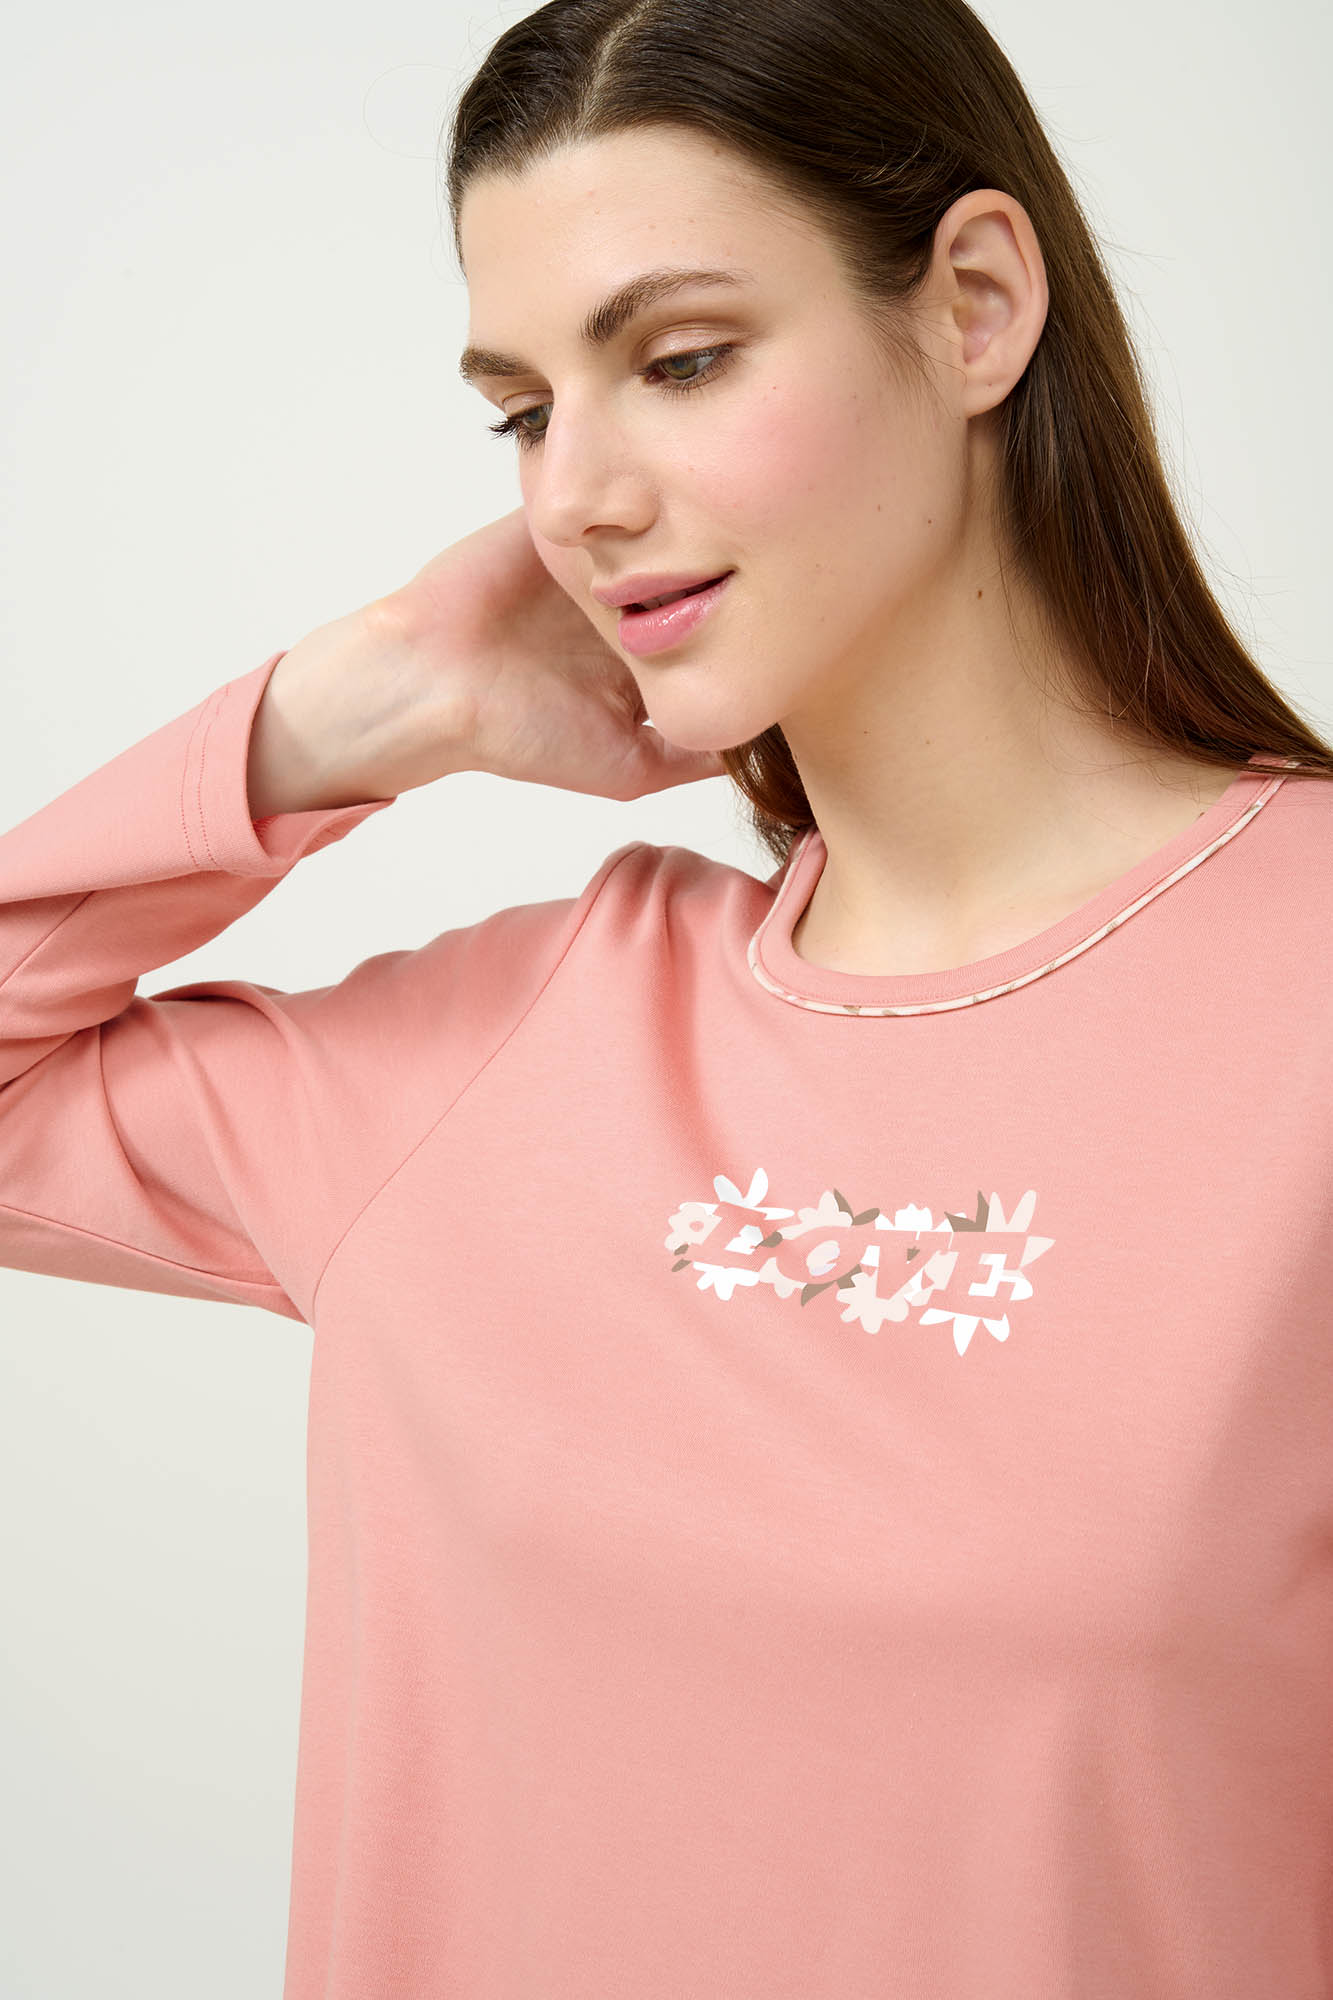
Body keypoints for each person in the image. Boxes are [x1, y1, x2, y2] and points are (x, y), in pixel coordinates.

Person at [3, 0, 1332, 1994]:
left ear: (975, 306)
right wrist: (342, 712)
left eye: (681, 360)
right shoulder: (503, 1051)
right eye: (523, 412)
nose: (577, 497)